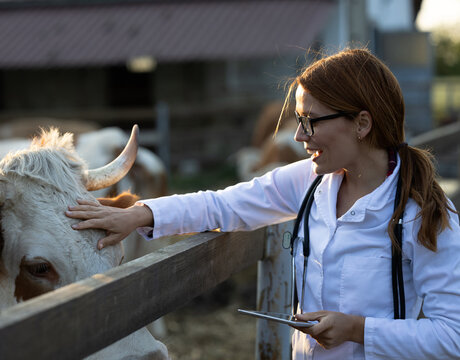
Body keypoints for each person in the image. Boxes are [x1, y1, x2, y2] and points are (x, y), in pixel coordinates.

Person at [65, 48, 460, 359]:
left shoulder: (424, 213)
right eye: (298, 121)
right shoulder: (310, 181)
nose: (300, 137)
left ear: (361, 123)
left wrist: (357, 329)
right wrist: (140, 214)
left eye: (310, 121)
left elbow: (452, 337)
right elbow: (224, 205)